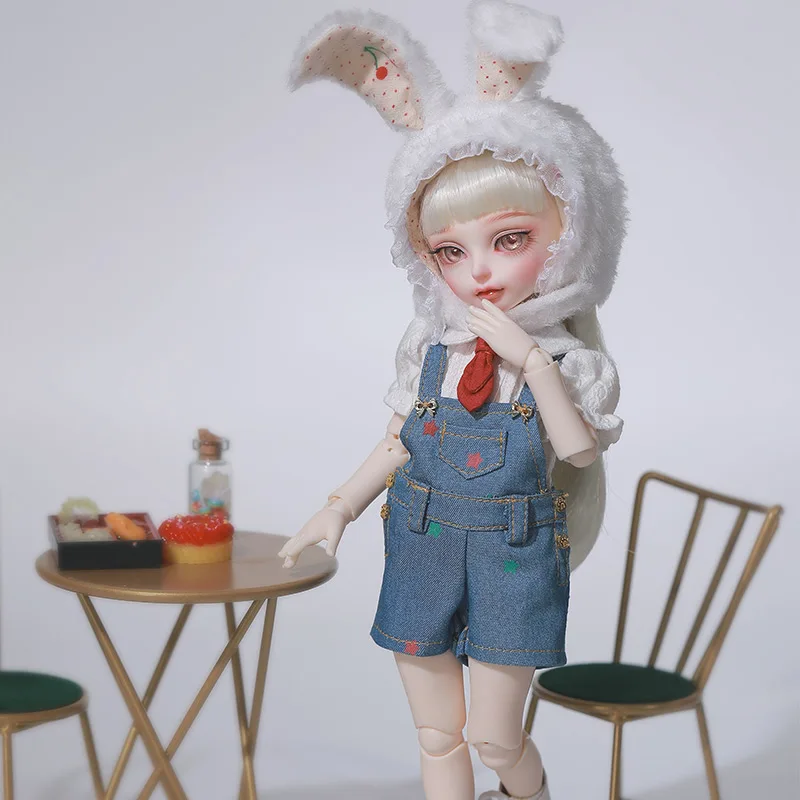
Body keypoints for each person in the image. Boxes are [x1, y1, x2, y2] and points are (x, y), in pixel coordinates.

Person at [280, 3, 626, 798]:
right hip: (422, 538)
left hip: (514, 554)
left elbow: (578, 451)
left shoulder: (567, 362)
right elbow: (402, 438)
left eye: (510, 239)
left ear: (570, 233)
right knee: (437, 735)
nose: (480, 270)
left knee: (493, 738)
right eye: (450, 250)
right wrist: (338, 506)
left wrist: (531, 360)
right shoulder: (432, 352)